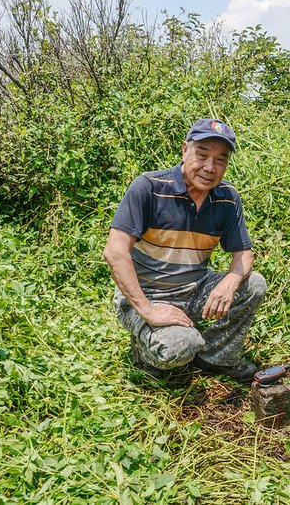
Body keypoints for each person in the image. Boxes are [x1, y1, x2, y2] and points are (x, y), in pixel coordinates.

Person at [103, 118, 266, 383]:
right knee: (182, 347)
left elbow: (244, 254)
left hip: (193, 288)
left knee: (253, 284)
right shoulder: (149, 187)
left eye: (220, 160)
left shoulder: (227, 198)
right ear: (184, 150)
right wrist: (148, 310)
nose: (210, 168)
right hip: (147, 295)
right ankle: (146, 350)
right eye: (202, 155)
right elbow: (115, 252)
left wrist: (231, 280)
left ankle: (216, 357)